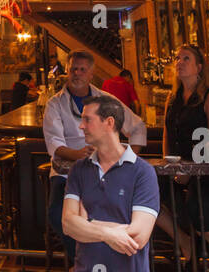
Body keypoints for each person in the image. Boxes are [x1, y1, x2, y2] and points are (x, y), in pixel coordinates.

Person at [62, 95, 160, 272]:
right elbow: (68, 224)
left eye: (87, 119)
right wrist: (109, 233)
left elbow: (138, 236)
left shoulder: (142, 173)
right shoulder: (79, 170)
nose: (81, 125)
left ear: (109, 123)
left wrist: (89, 224)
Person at [42, 50, 147, 260]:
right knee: (57, 214)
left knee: (112, 213)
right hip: (67, 174)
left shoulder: (106, 101)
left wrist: (126, 161)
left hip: (104, 173)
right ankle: (81, 260)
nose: (77, 74)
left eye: (82, 70)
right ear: (67, 72)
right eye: (73, 69)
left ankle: (106, 262)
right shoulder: (55, 103)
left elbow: (138, 128)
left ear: (91, 74)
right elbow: (55, 145)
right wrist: (78, 154)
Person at [158, 44, 209, 272]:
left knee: (195, 205)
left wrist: (189, 171)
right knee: (142, 194)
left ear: (199, 67)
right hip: (180, 167)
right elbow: (167, 134)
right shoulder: (173, 97)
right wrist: (168, 164)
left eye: (185, 58)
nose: (179, 62)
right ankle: (185, 241)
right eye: (177, 58)